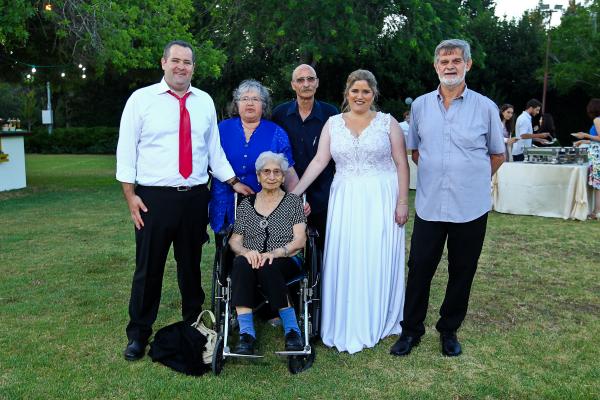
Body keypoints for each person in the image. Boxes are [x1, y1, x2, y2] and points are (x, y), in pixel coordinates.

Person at [116, 40, 252, 361]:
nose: (181, 67)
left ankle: (195, 324)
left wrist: (234, 181)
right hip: (154, 199)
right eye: (175, 60)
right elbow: (126, 150)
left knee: (190, 267)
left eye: (187, 62)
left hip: (194, 198)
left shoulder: (204, 101)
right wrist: (130, 196)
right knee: (148, 268)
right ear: (163, 63)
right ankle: (138, 333)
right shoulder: (141, 100)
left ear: (193, 67)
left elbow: (213, 150)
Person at [390, 39, 505, 358]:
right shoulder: (420, 106)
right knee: (419, 267)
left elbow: (498, 154)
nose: (450, 66)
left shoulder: (486, 107)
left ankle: (449, 329)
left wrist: (471, 179)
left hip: (471, 207)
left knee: (462, 269)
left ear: (468, 64)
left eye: (456, 60)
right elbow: (416, 151)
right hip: (430, 205)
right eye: (444, 61)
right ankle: (411, 330)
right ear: (435, 66)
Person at [292, 69, 410, 354]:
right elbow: (320, 161)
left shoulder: (388, 123)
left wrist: (403, 201)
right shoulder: (333, 123)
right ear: (347, 93)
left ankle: (378, 313)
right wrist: (294, 194)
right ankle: (346, 315)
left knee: (375, 254)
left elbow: (401, 163)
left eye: (366, 91)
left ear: (374, 94)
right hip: (345, 198)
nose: (360, 96)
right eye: (355, 91)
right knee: (347, 252)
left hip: (380, 197)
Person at [228, 152, 307, 355]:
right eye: (266, 172)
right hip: (252, 258)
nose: (271, 176)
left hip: (286, 258)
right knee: (241, 263)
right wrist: (247, 252)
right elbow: (234, 240)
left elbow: (300, 240)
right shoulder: (246, 204)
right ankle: (246, 334)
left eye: (277, 172)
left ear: (283, 176)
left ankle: (292, 330)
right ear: (258, 176)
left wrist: (276, 252)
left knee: (267, 264)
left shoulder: (293, 202)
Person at [209, 79, 299, 237]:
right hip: (225, 204)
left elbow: (288, 173)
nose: (249, 103)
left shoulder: (276, 133)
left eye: (255, 99)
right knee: (225, 248)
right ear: (236, 104)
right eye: (244, 98)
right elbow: (210, 161)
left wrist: (296, 202)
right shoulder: (221, 129)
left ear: (263, 105)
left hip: (264, 207)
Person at [272, 64, 339, 252]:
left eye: (310, 79)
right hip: (286, 194)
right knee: (287, 251)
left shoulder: (331, 114)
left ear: (317, 83)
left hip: (323, 195)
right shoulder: (279, 114)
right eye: (300, 80)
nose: (306, 84)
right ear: (293, 85)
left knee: (323, 251)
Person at [572, 98, 600, 220]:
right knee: (597, 184)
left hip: (597, 154)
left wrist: (585, 135)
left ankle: (597, 212)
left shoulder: (597, 120)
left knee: (597, 184)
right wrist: (584, 141)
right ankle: (596, 211)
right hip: (596, 151)